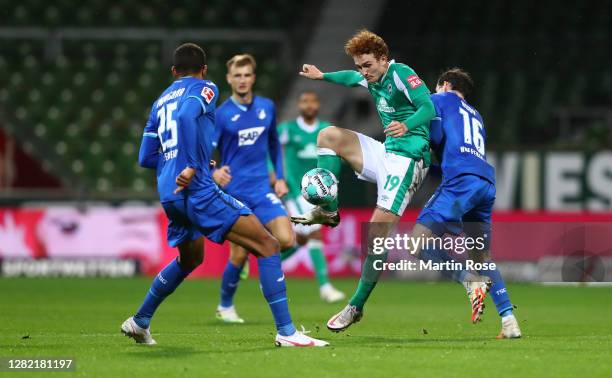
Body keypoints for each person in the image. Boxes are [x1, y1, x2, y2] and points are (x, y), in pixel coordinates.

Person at [121, 44, 328, 347]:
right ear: (204, 70)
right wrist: (193, 165)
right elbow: (189, 116)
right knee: (269, 245)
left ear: (173, 72)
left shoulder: (159, 101)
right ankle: (287, 333)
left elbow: (145, 157)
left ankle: (140, 321)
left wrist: (190, 161)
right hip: (197, 191)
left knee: (190, 259)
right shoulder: (205, 88)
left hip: (170, 194)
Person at [416, 68, 521, 338]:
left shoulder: (439, 99)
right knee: (482, 256)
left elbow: (433, 138)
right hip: (485, 183)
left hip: (460, 181)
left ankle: (468, 279)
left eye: (436, 87)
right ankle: (509, 321)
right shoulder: (476, 115)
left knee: (416, 244)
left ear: (446, 85)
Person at [212, 54, 301, 323]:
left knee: (286, 239)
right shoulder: (221, 114)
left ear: (253, 77)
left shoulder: (266, 107)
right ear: (229, 79)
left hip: (263, 189)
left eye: (247, 75)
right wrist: (213, 172)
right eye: (237, 75)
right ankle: (225, 306)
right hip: (234, 193)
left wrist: (281, 177)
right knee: (238, 255)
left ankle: (264, 266)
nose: (242, 80)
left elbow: (274, 143)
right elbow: (205, 150)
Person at [278, 91, 345, 303]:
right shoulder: (288, 129)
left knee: (301, 240)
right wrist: (277, 177)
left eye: (312, 101)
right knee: (315, 233)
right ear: (299, 105)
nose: (308, 105)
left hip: (320, 192)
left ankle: (268, 267)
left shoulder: (326, 130)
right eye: (304, 101)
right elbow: (269, 148)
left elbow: (338, 156)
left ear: (318, 105)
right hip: (297, 191)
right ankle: (325, 287)